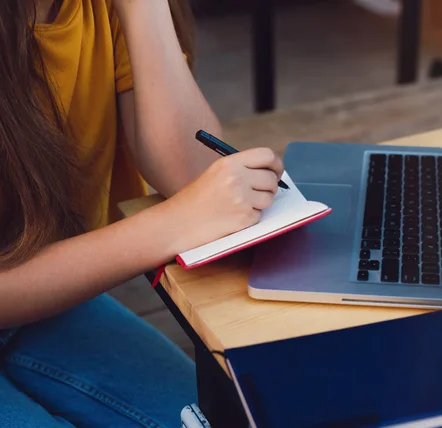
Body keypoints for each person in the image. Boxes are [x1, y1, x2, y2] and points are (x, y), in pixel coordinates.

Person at [0, 0, 283, 426]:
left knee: (223, 419)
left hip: (43, 300)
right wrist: (173, 224)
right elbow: (191, 203)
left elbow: (187, 169)